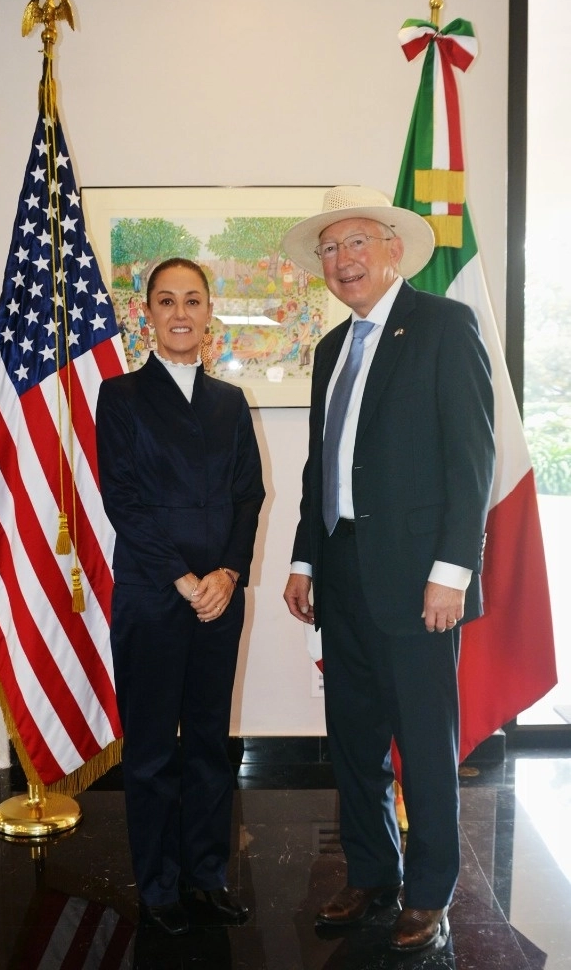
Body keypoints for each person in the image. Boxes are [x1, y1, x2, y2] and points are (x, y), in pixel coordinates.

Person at [282, 186, 495, 952]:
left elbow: (472, 461)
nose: (342, 261)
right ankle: (370, 873)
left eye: (357, 244)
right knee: (354, 737)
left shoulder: (444, 326)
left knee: (425, 745)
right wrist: (306, 557)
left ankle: (428, 889)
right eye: (330, 250)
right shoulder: (331, 349)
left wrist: (452, 572)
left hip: (417, 582)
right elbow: (323, 468)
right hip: (340, 577)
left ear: (393, 250)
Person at [96, 258, 265, 936]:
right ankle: (159, 884)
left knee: (207, 745)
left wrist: (228, 574)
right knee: (151, 750)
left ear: (207, 313)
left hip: (218, 600)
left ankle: (207, 874)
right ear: (148, 315)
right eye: (167, 301)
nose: (181, 313)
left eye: (193, 300)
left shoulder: (229, 403)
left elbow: (248, 497)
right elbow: (125, 502)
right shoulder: (121, 396)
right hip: (152, 594)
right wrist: (184, 578)